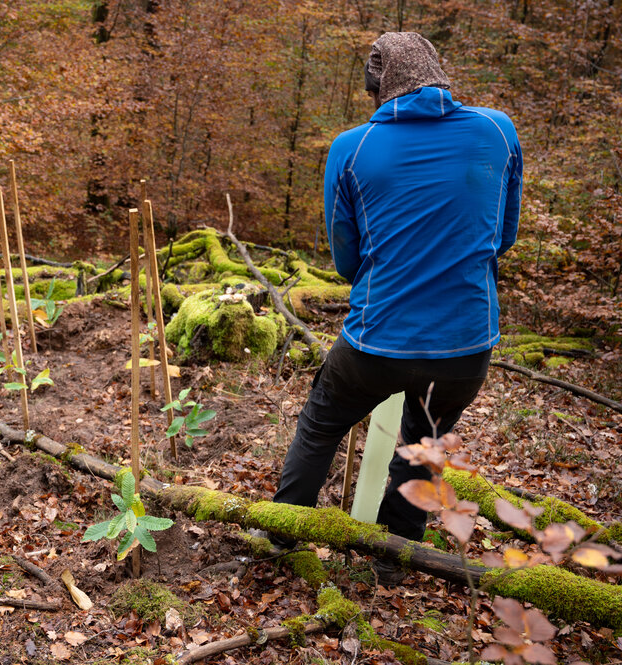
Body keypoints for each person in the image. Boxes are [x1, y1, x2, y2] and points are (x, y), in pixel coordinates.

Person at [270, 32, 522, 581]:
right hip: (465, 345)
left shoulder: (353, 147)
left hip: (375, 340)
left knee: (320, 425)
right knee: (425, 445)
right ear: (439, 74)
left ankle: (283, 536)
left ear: (378, 87)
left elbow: (345, 259)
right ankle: (394, 558)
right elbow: (503, 237)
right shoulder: (498, 132)